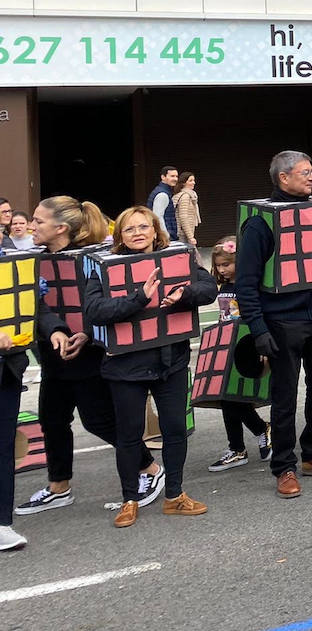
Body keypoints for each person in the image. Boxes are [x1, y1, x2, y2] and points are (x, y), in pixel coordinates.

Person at [17, 197, 164, 519]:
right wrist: (54, 330)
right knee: (52, 420)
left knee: (98, 420)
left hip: (89, 354)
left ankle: (150, 468)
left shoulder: (92, 260)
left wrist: (85, 335)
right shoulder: (33, 260)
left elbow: (103, 304)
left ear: (61, 228)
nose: (31, 225)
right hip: (53, 354)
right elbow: (37, 306)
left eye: (38, 221)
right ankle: (59, 486)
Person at [82, 206, 216, 526]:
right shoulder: (102, 268)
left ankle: (175, 495)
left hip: (170, 362)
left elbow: (208, 288)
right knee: (129, 435)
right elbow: (95, 311)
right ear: (120, 236)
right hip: (125, 368)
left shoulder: (176, 259)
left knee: (174, 429)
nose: (138, 233)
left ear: (156, 230)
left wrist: (184, 293)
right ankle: (130, 499)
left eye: (144, 227)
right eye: (130, 229)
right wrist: (139, 298)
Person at [236, 152, 312, 499]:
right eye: (305, 172)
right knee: (283, 396)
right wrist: (258, 329)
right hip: (281, 322)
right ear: (283, 178)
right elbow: (246, 281)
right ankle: (284, 466)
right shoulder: (261, 223)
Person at [206, 237, 271, 472]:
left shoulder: (250, 285)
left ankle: (250, 437)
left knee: (234, 397)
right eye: (219, 265)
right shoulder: (223, 287)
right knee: (227, 397)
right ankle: (241, 444)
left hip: (246, 345)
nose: (222, 270)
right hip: (226, 345)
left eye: (226, 264)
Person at [1, 321, 27, 550]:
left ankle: (2, 525)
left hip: (9, 364)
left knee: (4, 447)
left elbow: (34, 302)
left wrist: (56, 329)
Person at [147, 166, 180, 243]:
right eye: (172, 176)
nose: (175, 179)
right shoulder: (162, 194)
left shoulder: (163, 191)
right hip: (166, 237)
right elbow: (158, 217)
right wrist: (165, 236)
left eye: (176, 176)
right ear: (163, 177)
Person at [172, 173, 200, 253]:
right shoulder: (185, 196)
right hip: (182, 233)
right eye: (190, 180)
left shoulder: (187, 195)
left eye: (194, 180)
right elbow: (183, 217)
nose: (193, 183)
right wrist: (190, 237)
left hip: (184, 232)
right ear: (184, 182)